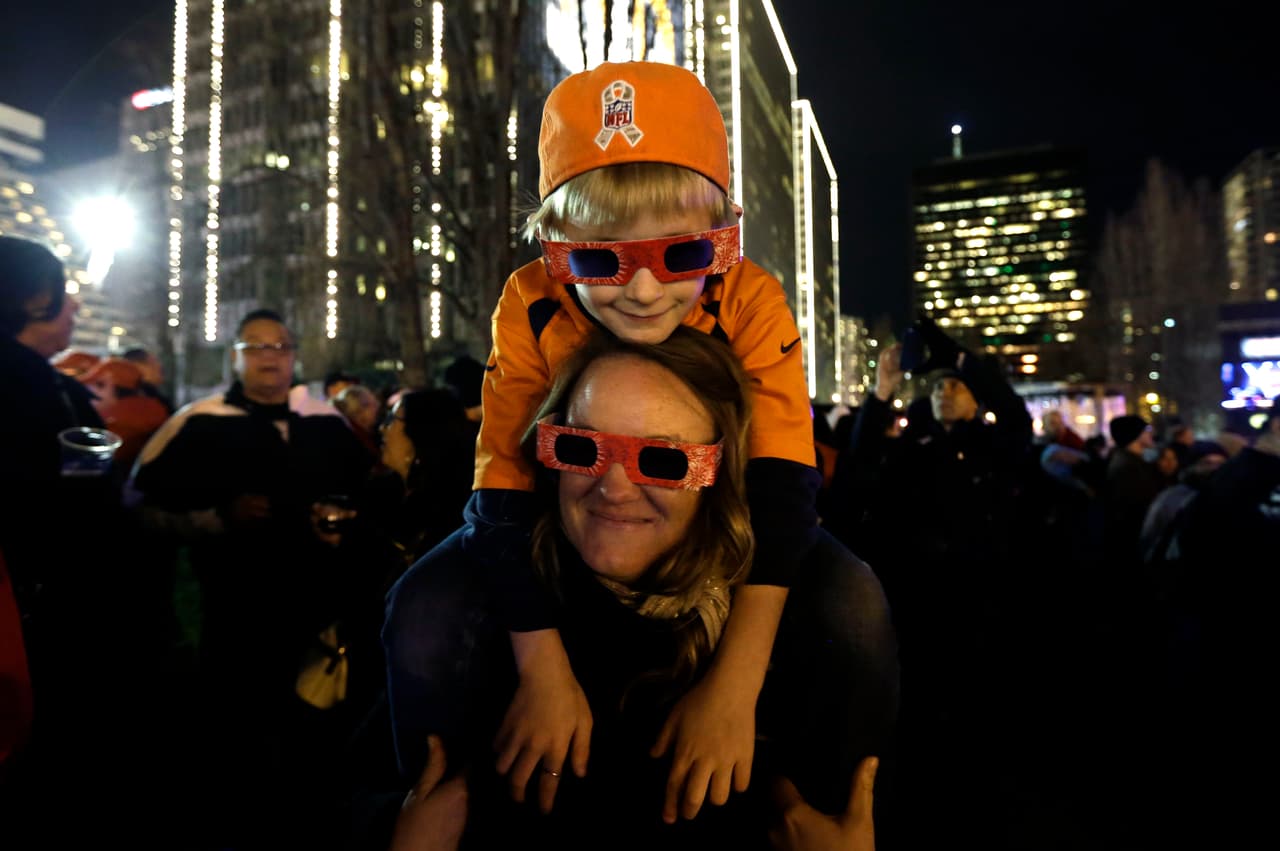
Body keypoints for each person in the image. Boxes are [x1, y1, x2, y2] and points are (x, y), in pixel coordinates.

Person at [464, 61, 822, 826]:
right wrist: (544, 668)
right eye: (599, 261)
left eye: (685, 255)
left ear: (726, 236)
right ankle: (431, 792)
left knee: (852, 611)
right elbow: (498, 494)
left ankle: (824, 810)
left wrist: (734, 689)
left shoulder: (753, 297)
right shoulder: (527, 301)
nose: (644, 291)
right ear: (555, 243)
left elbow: (784, 494)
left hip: (721, 530)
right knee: (423, 615)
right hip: (563, 536)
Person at [384, 329, 897, 849]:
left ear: (721, 476)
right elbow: (365, 780)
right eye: (581, 447)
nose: (613, 486)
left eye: (663, 460)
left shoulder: (810, 633)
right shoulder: (470, 622)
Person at [130, 308, 373, 847]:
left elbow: (374, 491)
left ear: (294, 357)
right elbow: (139, 508)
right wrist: (217, 519)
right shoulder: (199, 422)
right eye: (256, 347)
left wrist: (344, 522)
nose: (269, 357)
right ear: (234, 357)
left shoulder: (326, 423)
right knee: (236, 746)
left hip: (320, 618)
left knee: (314, 743)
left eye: (280, 347)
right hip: (232, 615)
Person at [0, 235, 126, 841]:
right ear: (31, 298)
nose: (74, 307)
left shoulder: (53, 384)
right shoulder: (32, 387)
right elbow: (68, 493)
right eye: (61, 292)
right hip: (40, 612)